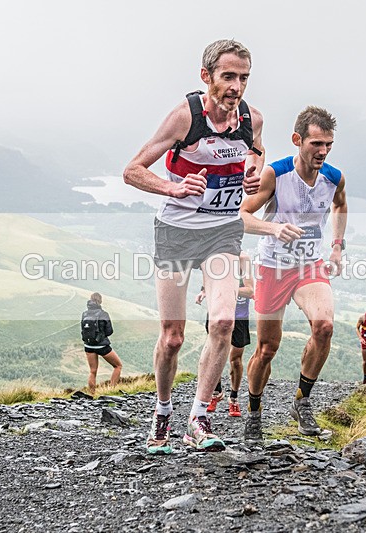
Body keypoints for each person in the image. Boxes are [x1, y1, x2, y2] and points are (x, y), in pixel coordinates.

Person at [123, 39, 264, 454]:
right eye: (228, 77)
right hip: (177, 232)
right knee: (172, 337)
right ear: (207, 77)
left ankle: (198, 420)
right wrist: (174, 187)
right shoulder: (185, 116)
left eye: (243, 78)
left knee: (222, 323)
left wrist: (253, 173)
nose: (236, 87)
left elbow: (255, 152)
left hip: (222, 230)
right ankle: (162, 414)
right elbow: (132, 171)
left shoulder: (252, 119)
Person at [239, 106, 347, 441]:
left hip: (309, 266)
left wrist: (337, 246)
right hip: (273, 268)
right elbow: (241, 216)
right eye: (316, 143)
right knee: (267, 348)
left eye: (328, 144)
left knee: (324, 326)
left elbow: (340, 204)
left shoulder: (334, 177)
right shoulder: (276, 174)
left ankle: (301, 401)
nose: (323, 151)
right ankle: (255, 413)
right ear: (297, 140)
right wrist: (273, 228)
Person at [196, 251, 254, 417]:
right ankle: (215, 393)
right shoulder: (213, 256)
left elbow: (250, 290)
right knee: (214, 353)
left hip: (239, 316)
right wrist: (203, 291)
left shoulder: (244, 259)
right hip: (217, 313)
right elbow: (208, 280)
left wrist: (227, 288)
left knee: (235, 360)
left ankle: (233, 399)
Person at [81, 292, 123, 392]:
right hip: (102, 346)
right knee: (118, 366)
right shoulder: (103, 314)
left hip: (88, 346)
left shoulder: (84, 314)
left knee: (92, 371)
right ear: (100, 301)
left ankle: (91, 394)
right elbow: (109, 331)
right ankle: (111, 390)